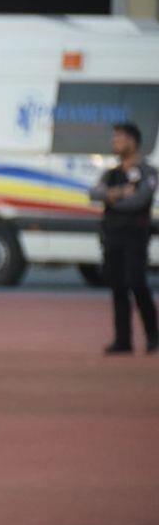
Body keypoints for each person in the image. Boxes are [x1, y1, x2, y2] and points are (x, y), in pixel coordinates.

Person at [88, 122, 158, 355]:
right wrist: (117, 193)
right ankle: (123, 339)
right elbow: (93, 193)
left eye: (119, 137)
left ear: (132, 141)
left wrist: (112, 200)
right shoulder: (112, 173)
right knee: (117, 285)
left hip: (135, 236)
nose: (114, 142)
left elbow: (139, 200)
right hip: (113, 236)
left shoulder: (147, 172)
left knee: (136, 282)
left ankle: (153, 335)